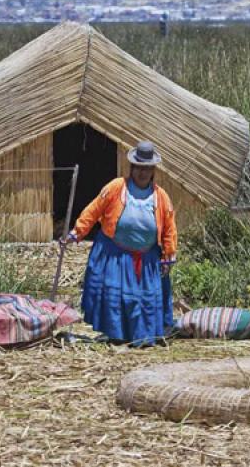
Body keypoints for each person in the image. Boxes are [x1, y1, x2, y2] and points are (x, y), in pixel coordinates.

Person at [63, 141, 177, 347]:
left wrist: (169, 254)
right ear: (132, 168)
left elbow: (169, 228)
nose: (143, 173)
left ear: (153, 171)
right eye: (139, 168)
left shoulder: (161, 197)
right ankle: (116, 335)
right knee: (116, 300)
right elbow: (94, 210)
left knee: (142, 301)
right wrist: (77, 232)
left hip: (147, 258)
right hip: (115, 254)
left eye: (147, 169)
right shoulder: (116, 188)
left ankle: (143, 337)